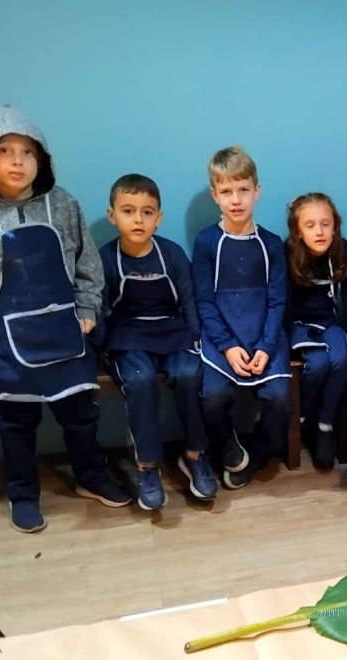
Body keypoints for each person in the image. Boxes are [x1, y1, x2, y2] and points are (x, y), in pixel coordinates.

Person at [0, 106, 131, 532]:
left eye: (27, 151)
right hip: (4, 337)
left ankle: (91, 478)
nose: (17, 161)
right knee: (16, 422)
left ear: (41, 158)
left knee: (81, 414)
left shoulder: (63, 205)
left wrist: (86, 310)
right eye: (5, 150)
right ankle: (22, 493)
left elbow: (87, 264)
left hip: (65, 331)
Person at [99, 174, 217, 509]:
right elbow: (99, 307)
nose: (138, 219)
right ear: (112, 215)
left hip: (172, 331)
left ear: (159, 218)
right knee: (141, 380)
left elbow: (189, 302)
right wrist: (101, 348)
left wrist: (196, 339)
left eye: (147, 212)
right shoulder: (105, 258)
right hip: (127, 335)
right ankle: (147, 466)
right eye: (128, 211)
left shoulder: (172, 254)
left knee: (190, 374)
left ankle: (194, 455)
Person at [191, 146, 290, 489]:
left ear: (256, 191)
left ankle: (257, 455)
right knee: (213, 396)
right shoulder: (206, 242)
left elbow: (277, 301)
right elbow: (204, 301)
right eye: (227, 191)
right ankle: (228, 447)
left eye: (243, 189)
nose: (236, 200)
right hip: (222, 337)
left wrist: (266, 346)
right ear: (214, 194)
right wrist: (228, 346)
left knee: (280, 398)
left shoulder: (272, 244)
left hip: (266, 335)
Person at [285, 193, 347, 469]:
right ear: (298, 231)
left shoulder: (342, 250)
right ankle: (305, 418)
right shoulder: (287, 253)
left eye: (325, 224)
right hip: (299, 324)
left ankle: (325, 423)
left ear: (335, 226)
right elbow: (282, 303)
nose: (319, 231)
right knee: (318, 363)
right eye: (310, 225)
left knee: (340, 359)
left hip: (330, 322)